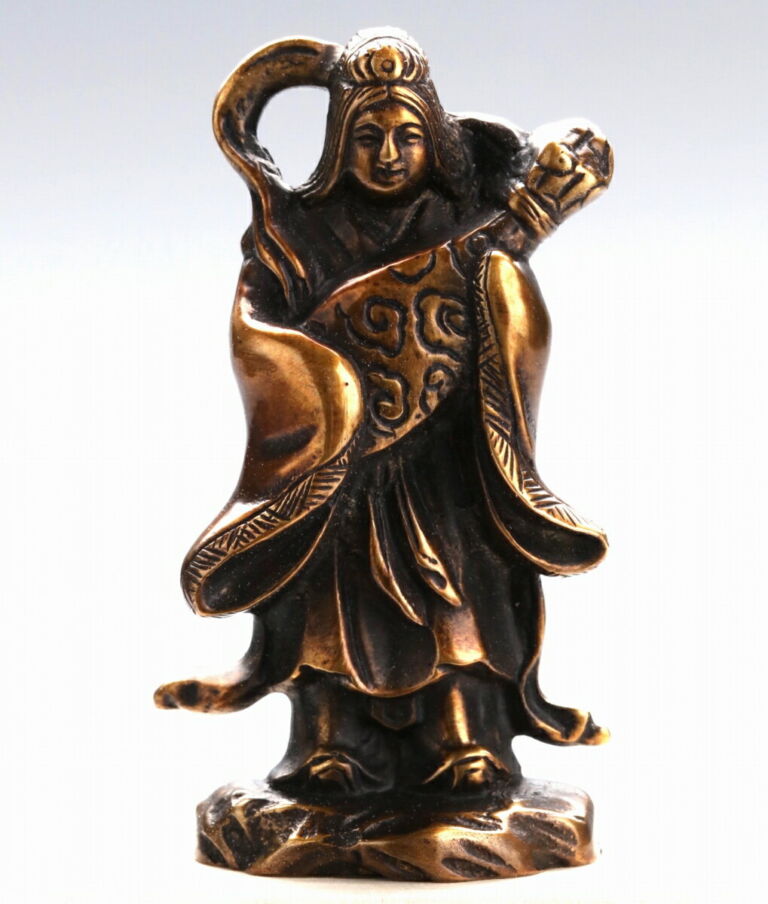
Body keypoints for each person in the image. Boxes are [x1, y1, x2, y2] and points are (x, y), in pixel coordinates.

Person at [155, 29, 613, 794]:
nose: (390, 155)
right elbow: (256, 325)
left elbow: (502, 304)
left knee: (457, 592)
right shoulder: (298, 234)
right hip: (340, 462)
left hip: (444, 455)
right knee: (329, 606)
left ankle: (467, 738)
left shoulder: (462, 219)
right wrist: (317, 383)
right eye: (368, 138)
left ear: (434, 137)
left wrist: (499, 280)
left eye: (407, 135)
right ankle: (328, 741)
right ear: (339, 142)